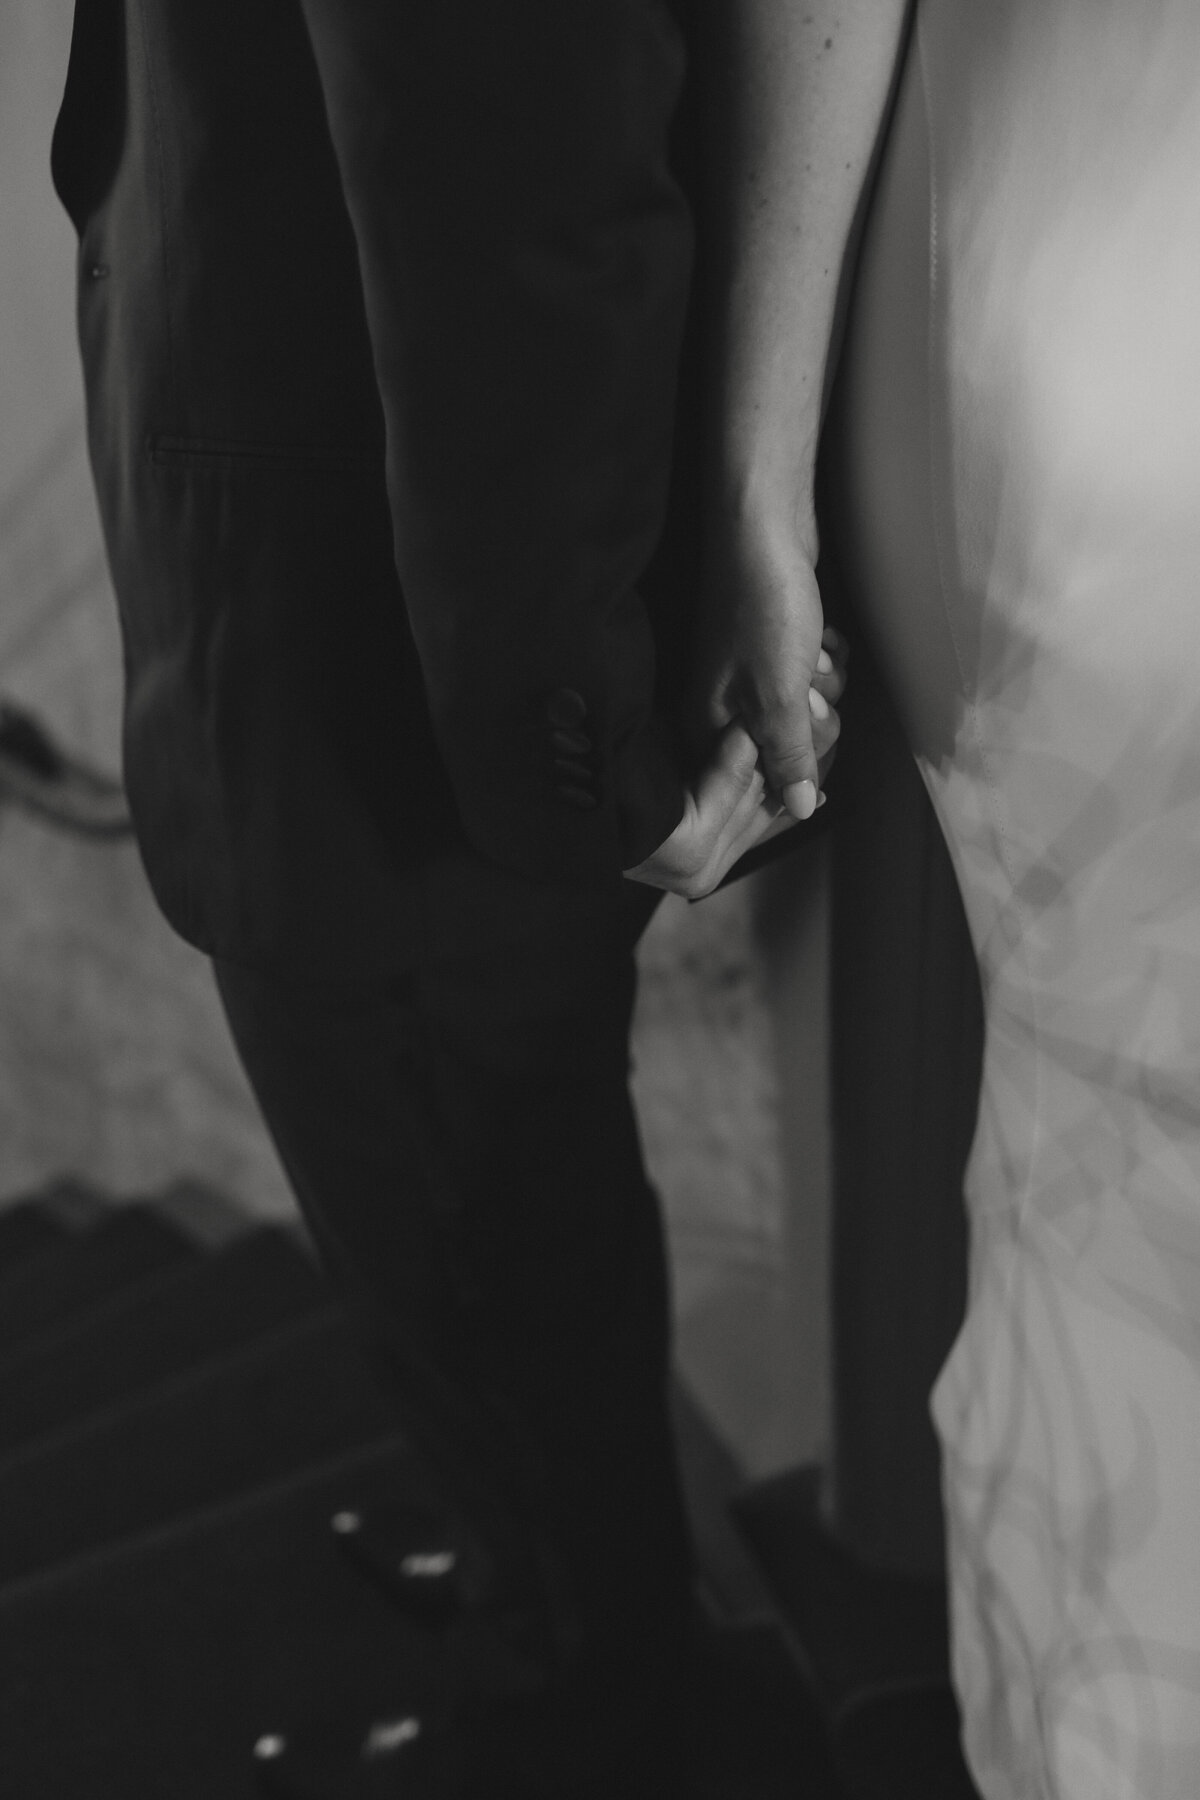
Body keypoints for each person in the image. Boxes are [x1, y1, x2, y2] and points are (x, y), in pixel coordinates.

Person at [49, 3, 852, 1795]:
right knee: (453, 1169)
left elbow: (508, 131)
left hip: (395, 625)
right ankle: (550, 1585)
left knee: (462, 1150)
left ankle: (598, 1686)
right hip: (315, 427)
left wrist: (556, 729)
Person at [710, 0, 1200, 1794]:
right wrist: (756, 467)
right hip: (1108, 335)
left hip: (1089, 306)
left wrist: (757, 461)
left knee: (1103, 1185)